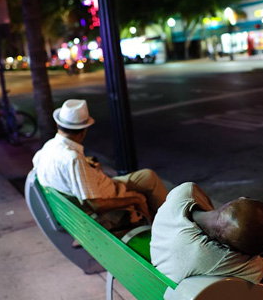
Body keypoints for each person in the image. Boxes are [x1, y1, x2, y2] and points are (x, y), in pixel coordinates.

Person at [33, 99, 168, 231]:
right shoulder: (73, 159)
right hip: (108, 194)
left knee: (148, 176)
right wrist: (136, 200)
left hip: (103, 185)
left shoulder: (49, 146)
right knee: (143, 195)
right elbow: (97, 205)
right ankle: (169, 225)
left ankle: (169, 221)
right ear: (83, 131)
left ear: (58, 126)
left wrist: (88, 166)